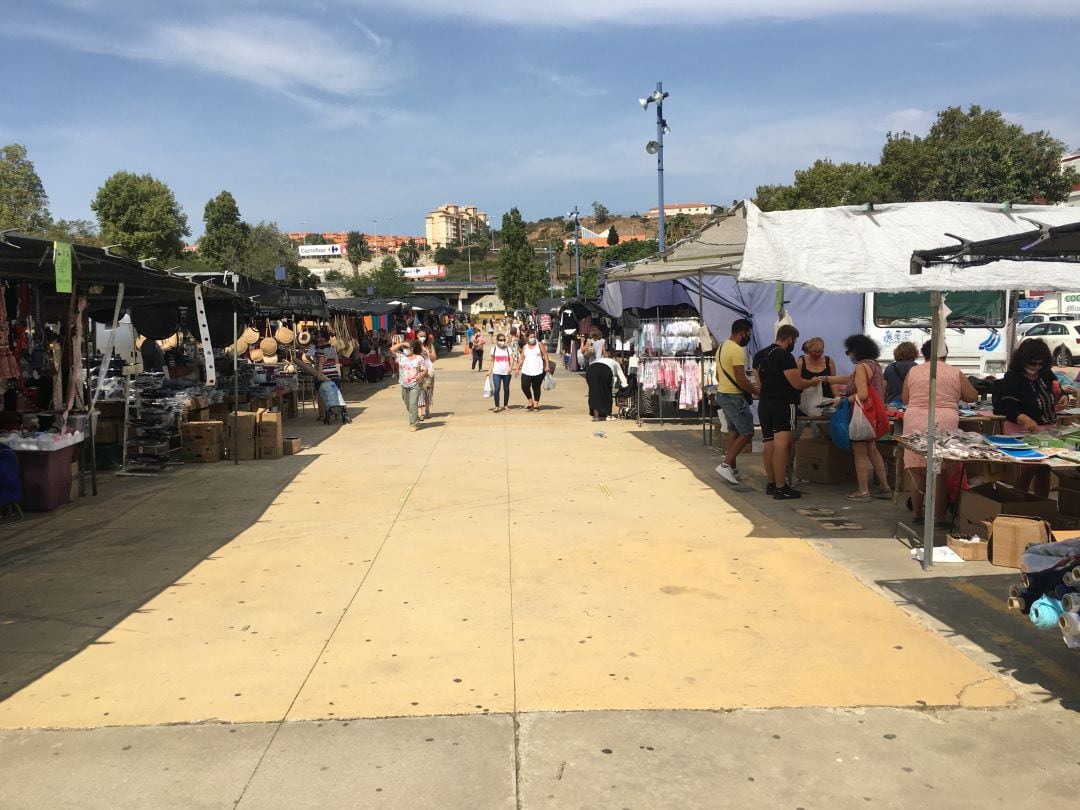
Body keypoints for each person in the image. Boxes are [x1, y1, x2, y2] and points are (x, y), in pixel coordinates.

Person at [903, 341, 979, 525]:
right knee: (939, 472)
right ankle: (938, 518)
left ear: (924, 354)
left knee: (917, 470)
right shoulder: (954, 372)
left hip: (915, 419)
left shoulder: (914, 371)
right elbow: (972, 396)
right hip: (945, 420)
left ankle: (916, 515)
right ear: (945, 354)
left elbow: (905, 398)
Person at [753, 324, 824, 499]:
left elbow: (759, 382)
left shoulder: (760, 355)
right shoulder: (785, 356)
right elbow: (797, 384)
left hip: (765, 404)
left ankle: (771, 483)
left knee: (769, 442)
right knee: (782, 446)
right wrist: (812, 382)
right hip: (783, 405)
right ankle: (781, 486)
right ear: (790, 339)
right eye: (795, 341)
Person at [993, 338, 1068, 497]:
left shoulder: (1046, 374)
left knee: (1044, 470)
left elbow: (1059, 391)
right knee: (1026, 470)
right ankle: (1019, 506)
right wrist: (1025, 419)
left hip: (1047, 430)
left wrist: (1063, 398)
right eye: (1033, 364)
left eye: (1040, 364)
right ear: (1023, 360)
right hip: (1020, 431)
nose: (1036, 367)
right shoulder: (1013, 377)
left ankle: (1042, 505)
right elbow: (1009, 406)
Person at [824, 334, 891, 502]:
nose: (849, 355)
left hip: (861, 415)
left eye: (849, 352)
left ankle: (863, 492)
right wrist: (825, 379)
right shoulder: (874, 365)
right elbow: (850, 379)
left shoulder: (861, 366)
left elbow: (862, 394)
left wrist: (842, 400)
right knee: (872, 450)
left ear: (856, 351)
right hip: (874, 414)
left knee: (859, 452)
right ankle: (885, 487)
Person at [714, 319, 759, 485]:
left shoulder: (721, 347)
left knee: (733, 431)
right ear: (743, 332)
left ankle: (732, 468)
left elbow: (718, 376)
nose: (749, 337)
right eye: (749, 334)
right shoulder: (737, 350)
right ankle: (726, 465)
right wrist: (755, 391)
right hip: (734, 396)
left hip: (723, 394)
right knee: (747, 432)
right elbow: (741, 378)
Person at [389, 338, 428, 431]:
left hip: (415, 384)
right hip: (404, 384)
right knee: (408, 404)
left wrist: (421, 375)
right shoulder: (401, 356)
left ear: (412, 349)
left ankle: (413, 424)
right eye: (404, 348)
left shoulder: (419, 358)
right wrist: (402, 343)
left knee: (413, 404)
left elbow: (425, 369)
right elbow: (391, 350)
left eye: (407, 348)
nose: (405, 349)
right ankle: (414, 417)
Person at [586, 343, 628, 421]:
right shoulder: (616, 363)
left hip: (591, 369)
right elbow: (623, 379)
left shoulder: (602, 359)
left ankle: (596, 416)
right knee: (607, 392)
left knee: (593, 392)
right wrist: (626, 388)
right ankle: (608, 415)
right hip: (604, 369)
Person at [516, 329, 550, 411]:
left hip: (538, 370)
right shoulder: (525, 347)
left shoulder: (539, 344)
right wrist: (517, 368)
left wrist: (547, 366)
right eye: (531, 337)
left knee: (536, 387)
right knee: (525, 386)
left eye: (534, 337)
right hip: (526, 370)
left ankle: (536, 404)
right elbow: (521, 359)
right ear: (527, 338)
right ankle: (530, 400)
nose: (533, 338)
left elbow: (545, 355)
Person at [487, 333, 514, 412]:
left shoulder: (508, 349)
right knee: (497, 389)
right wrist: (489, 371)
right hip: (497, 372)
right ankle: (497, 406)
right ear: (497, 341)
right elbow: (492, 361)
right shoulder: (494, 349)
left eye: (503, 340)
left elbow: (511, 359)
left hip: (507, 372)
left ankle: (506, 405)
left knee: (506, 389)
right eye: (500, 340)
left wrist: (510, 367)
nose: (502, 342)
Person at [416, 326, 437, 421]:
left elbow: (434, 358)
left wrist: (428, 353)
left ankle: (427, 409)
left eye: (424, 336)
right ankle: (420, 412)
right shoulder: (415, 345)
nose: (422, 338)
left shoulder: (429, 345)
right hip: (418, 371)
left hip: (429, 371)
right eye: (420, 336)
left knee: (428, 391)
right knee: (419, 391)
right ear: (417, 335)